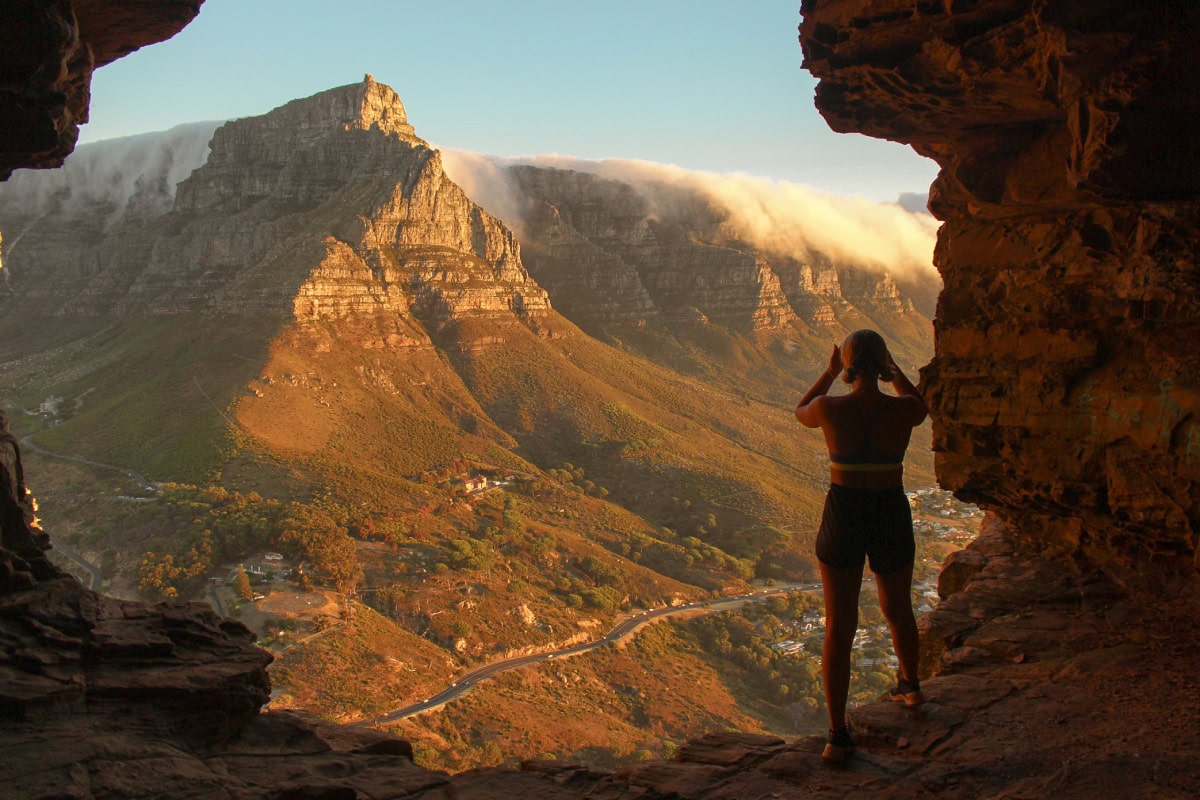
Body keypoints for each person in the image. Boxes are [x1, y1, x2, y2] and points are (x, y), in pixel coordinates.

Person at [794, 329, 928, 763]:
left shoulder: (831, 408)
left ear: (848, 363)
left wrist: (829, 373)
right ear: (884, 362)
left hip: (844, 513)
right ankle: (911, 688)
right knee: (898, 607)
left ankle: (837, 734)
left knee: (840, 624)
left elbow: (800, 411)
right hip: (889, 509)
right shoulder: (903, 409)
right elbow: (922, 407)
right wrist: (895, 372)